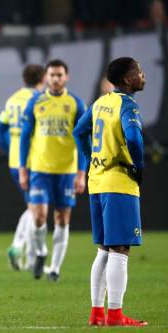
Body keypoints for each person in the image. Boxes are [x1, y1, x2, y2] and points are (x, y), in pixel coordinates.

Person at [74, 57, 148, 327]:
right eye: (138, 72)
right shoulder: (126, 104)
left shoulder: (100, 102)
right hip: (118, 182)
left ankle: (96, 314)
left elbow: (79, 131)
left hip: (97, 181)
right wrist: (138, 166)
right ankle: (115, 315)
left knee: (104, 249)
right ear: (128, 80)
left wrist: (90, 158)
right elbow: (134, 138)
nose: (142, 75)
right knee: (120, 249)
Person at [19, 59, 87, 281]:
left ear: (66, 77)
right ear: (46, 77)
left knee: (62, 219)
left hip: (66, 171)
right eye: (52, 75)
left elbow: (83, 141)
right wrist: (23, 168)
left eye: (59, 75)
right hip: (40, 169)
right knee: (39, 217)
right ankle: (41, 253)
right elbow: (25, 137)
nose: (56, 79)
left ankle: (55, 268)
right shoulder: (36, 103)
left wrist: (81, 172)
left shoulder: (76, 104)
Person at [0, 64, 45, 271]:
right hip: (34, 161)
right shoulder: (40, 101)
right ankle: (24, 252)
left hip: (14, 162)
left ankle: (27, 255)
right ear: (42, 79)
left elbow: (0, 127)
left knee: (33, 208)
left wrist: (9, 147)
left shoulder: (12, 99)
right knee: (37, 210)